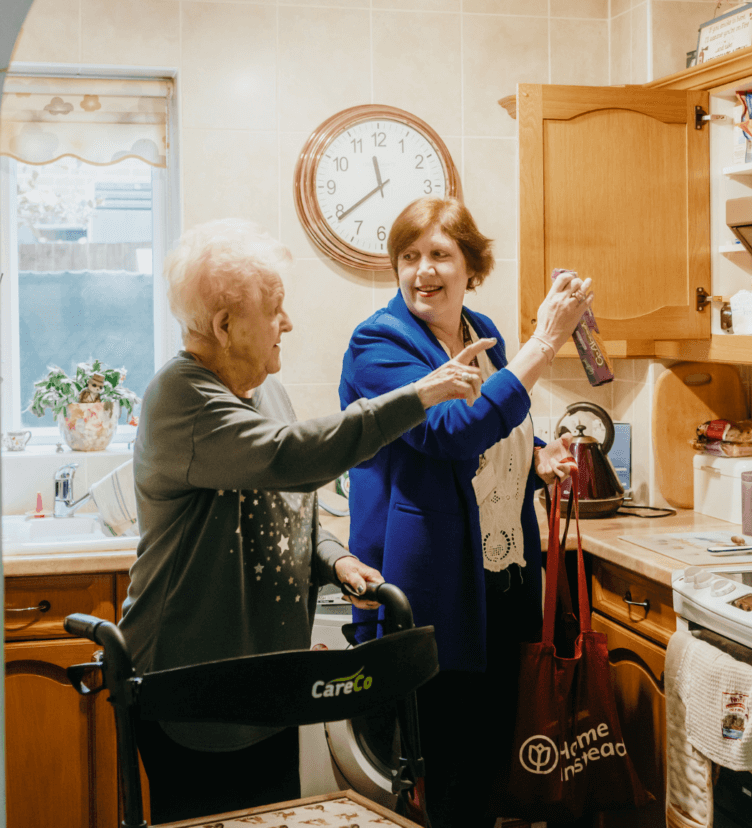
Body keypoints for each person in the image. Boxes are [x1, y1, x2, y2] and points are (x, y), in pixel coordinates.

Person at [118, 218, 494, 825]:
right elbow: (291, 458)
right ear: (224, 326)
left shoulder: (262, 388)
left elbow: (288, 505)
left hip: (267, 678)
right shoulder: (182, 401)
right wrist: (419, 395)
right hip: (194, 685)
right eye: (274, 310)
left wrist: (334, 557)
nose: (286, 323)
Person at [339, 197, 594, 828]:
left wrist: (535, 455)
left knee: (486, 770)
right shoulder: (378, 344)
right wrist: (543, 345)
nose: (422, 270)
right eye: (409, 256)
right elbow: (449, 432)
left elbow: (493, 430)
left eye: (439, 255)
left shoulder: (481, 332)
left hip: (504, 578)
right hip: (434, 591)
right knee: (448, 780)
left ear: (470, 267)